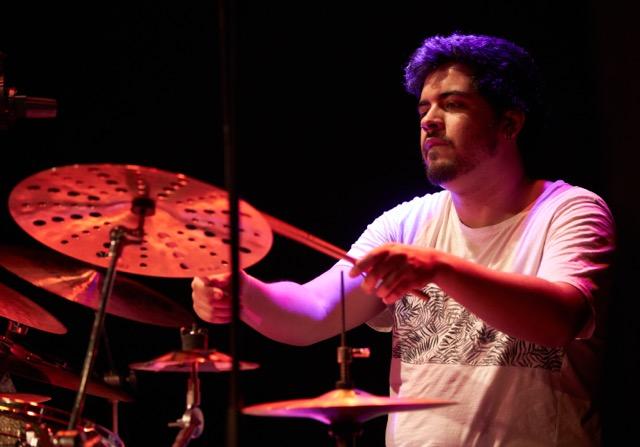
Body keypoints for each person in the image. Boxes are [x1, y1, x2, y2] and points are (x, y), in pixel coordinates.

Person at [192, 33, 614, 446]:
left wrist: (439, 267)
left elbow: (559, 320)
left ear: (509, 123)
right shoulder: (405, 223)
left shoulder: (569, 211)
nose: (428, 120)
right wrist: (244, 293)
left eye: (453, 104)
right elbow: (314, 312)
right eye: (424, 108)